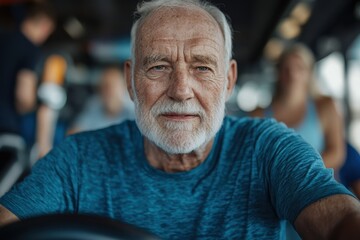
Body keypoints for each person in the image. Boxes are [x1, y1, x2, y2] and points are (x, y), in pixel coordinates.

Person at [0, 0, 360, 239]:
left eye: (202, 67)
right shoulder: (78, 159)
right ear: (130, 80)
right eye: (158, 67)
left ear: (229, 80)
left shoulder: (268, 148)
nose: (181, 89)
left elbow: (341, 223)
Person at [250, 43, 360, 239]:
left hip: (318, 193)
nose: (292, 74)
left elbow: (337, 153)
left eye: (299, 67)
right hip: (273, 204)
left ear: (309, 72)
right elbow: (252, 163)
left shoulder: (324, 106)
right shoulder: (258, 114)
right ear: (278, 73)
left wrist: (294, 176)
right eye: (286, 68)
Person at [0, 2, 55, 137]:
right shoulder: (31, 49)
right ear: (44, 26)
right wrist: (37, 105)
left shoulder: (3, 37)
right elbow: (24, 97)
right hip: (5, 125)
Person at [68, 66, 134, 134]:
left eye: (113, 87)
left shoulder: (134, 110)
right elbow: (74, 132)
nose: (109, 92)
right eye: (105, 87)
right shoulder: (94, 105)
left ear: (124, 88)